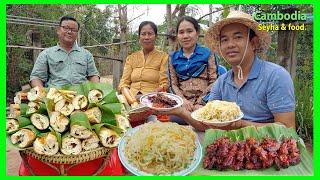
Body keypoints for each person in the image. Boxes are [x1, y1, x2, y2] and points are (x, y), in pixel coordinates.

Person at [160, 11, 295, 131]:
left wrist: (240, 124)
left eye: (238, 37)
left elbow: (287, 128)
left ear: (253, 43)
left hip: (268, 152)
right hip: (229, 151)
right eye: (224, 39)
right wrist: (180, 111)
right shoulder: (222, 82)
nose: (230, 44)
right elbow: (206, 124)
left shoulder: (275, 76)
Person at [30, 16, 100, 88]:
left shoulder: (86, 54)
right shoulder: (46, 54)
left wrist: (95, 91)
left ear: (77, 33)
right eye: (66, 28)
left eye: (73, 30)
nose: (69, 32)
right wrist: (42, 94)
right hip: (55, 97)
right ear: (58, 30)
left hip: (81, 97)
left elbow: (93, 75)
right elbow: (36, 77)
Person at [168, 16, 218, 114]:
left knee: (205, 116)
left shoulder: (208, 54)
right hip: (181, 105)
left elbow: (215, 81)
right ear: (177, 35)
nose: (185, 36)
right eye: (181, 32)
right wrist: (183, 101)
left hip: (206, 103)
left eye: (189, 31)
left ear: (197, 33)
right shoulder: (172, 57)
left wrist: (201, 102)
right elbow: (172, 84)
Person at [118, 21, 168, 106]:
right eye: (143, 34)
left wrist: (148, 97)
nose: (146, 37)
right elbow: (124, 83)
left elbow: (164, 84)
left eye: (150, 34)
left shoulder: (163, 57)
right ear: (139, 37)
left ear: (156, 36)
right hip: (130, 100)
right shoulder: (131, 58)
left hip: (153, 101)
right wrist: (131, 100)